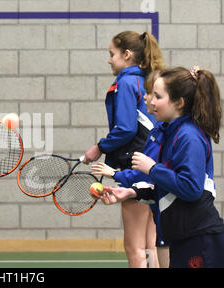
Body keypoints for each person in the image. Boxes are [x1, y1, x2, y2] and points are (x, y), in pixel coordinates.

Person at [101, 66, 224, 268]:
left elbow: (191, 188)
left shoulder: (188, 136)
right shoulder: (169, 133)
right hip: (183, 238)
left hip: (200, 239)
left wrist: (152, 168)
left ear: (179, 102)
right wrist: (132, 193)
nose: (149, 100)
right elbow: (169, 189)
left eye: (157, 96)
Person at [83, 31, 165, 268]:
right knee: (151, 243)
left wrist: (99, 147)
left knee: (134, 245)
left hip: (135, 164)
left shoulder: (126, 82)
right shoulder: (147, 80)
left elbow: (126, 128)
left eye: (112, 54)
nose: (109, 60)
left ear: (127, 55)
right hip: (152, 163)